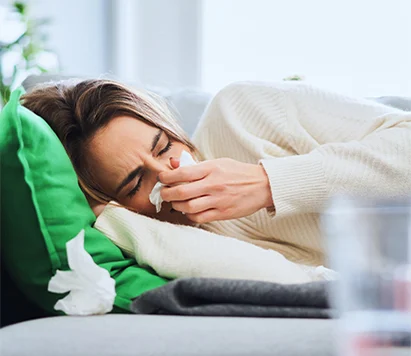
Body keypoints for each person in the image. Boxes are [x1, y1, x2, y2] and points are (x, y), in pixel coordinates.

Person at [21, 79, 411, 268]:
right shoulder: (159, 249)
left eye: (163, 146)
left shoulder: (242, 110)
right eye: (137, 182)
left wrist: (268, 183)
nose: (169, 171)